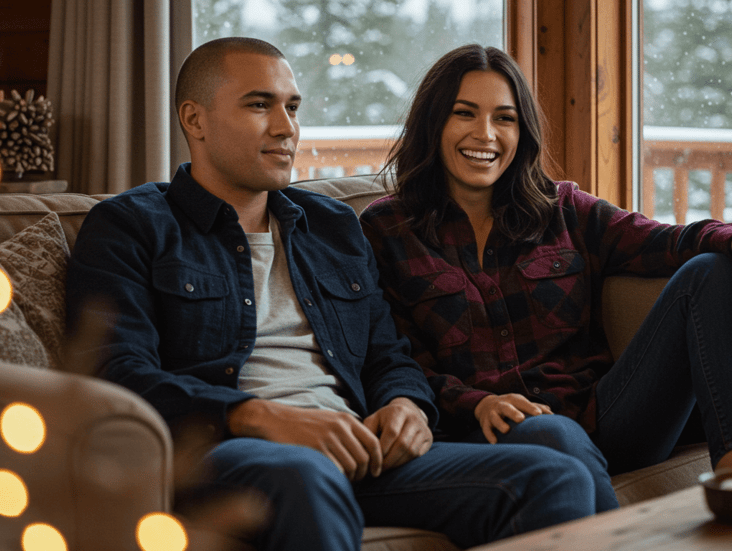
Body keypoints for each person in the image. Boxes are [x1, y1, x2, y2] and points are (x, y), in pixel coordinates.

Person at [65, 37, 616, 551]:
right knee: (304, 472)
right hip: (225, 454)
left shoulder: (331, 226)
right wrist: (257, 416)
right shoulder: (131, 225)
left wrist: (407, 405)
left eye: (293, 107)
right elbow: (115, 373)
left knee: (552, 473)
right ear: (195, 119)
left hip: (356, 449)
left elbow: (387, 355)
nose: (286, 128)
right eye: (260, 105)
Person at [360, 43, 732, 478]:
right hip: (489, 433)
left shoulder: (564, 209)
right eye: (464, 113)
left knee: (710, 268)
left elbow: (667, 241)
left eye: (504, 118)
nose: (486, 134)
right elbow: (395, 359)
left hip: (605, 416)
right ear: (433, 122)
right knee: (553, 434)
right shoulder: (385, 230)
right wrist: (478, 402)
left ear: (522, 132)